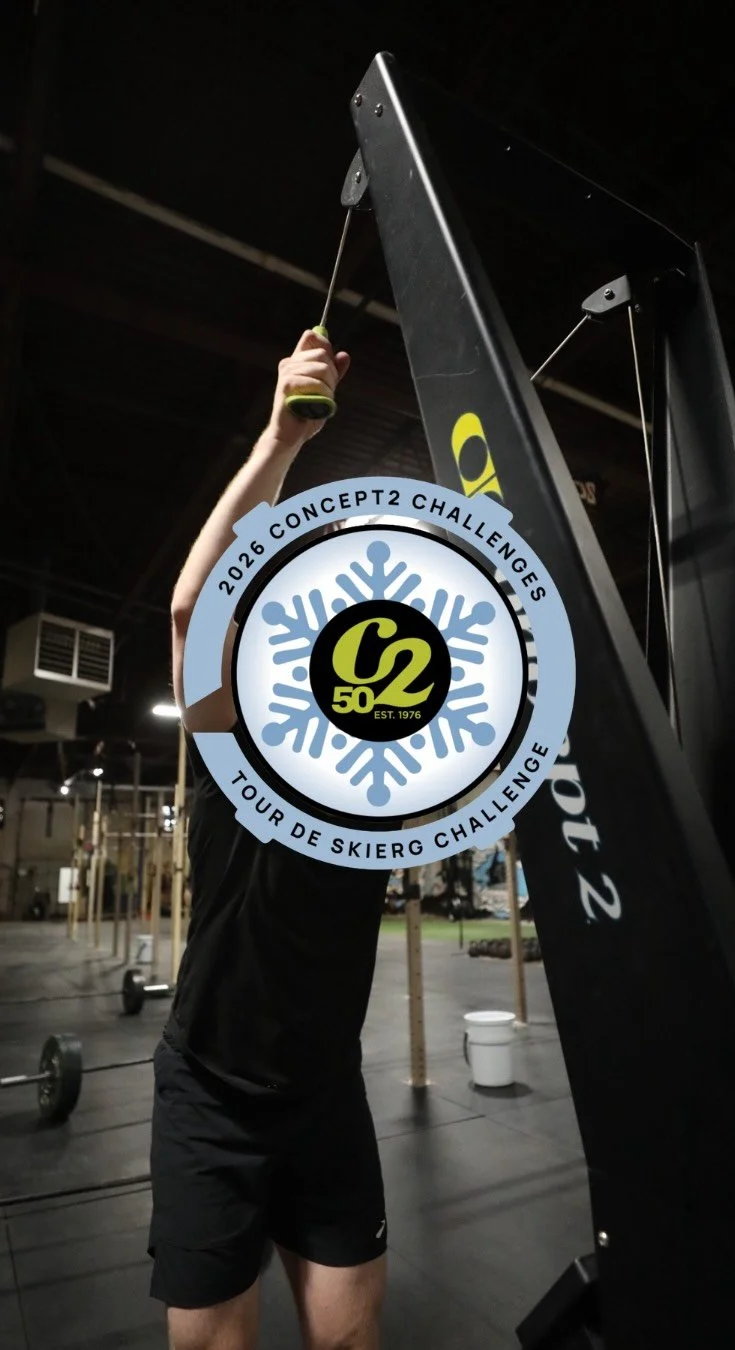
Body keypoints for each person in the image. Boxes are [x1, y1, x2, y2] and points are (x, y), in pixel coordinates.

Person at [150, 330, 391, 1350]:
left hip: (327, 1085)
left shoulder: (395, 768)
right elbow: (190, 607)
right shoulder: (237, 741)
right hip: (211, 1089)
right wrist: (281, 441)